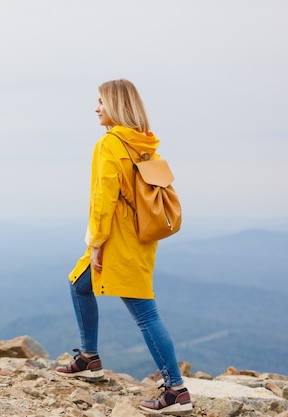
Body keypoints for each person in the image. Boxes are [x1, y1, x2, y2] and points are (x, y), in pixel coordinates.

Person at [55, 79, 193, 415]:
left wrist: (96, 243)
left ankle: (175, 389)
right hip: (141, 238)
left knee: (145, 314)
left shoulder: (111, 144)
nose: (96, 108)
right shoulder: (145, 144)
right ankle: (89, 358)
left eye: (100, 101)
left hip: (117, 240)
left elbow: (104, 199)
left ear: (115, 105)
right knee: (79, 283)